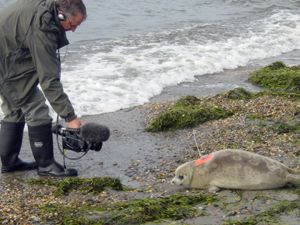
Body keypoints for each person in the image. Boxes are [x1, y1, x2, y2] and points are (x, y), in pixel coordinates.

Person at [0, 0, 86, 177]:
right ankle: (46, 165)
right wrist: (70, 117)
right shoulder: (43, 27)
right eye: (72, 24)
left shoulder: (46, 7)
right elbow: (49, 80)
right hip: (5, 61)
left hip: (7, 54)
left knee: (15, 109)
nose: (74, 30)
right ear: (61, 14)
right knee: (35, 107)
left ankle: (10, 162)